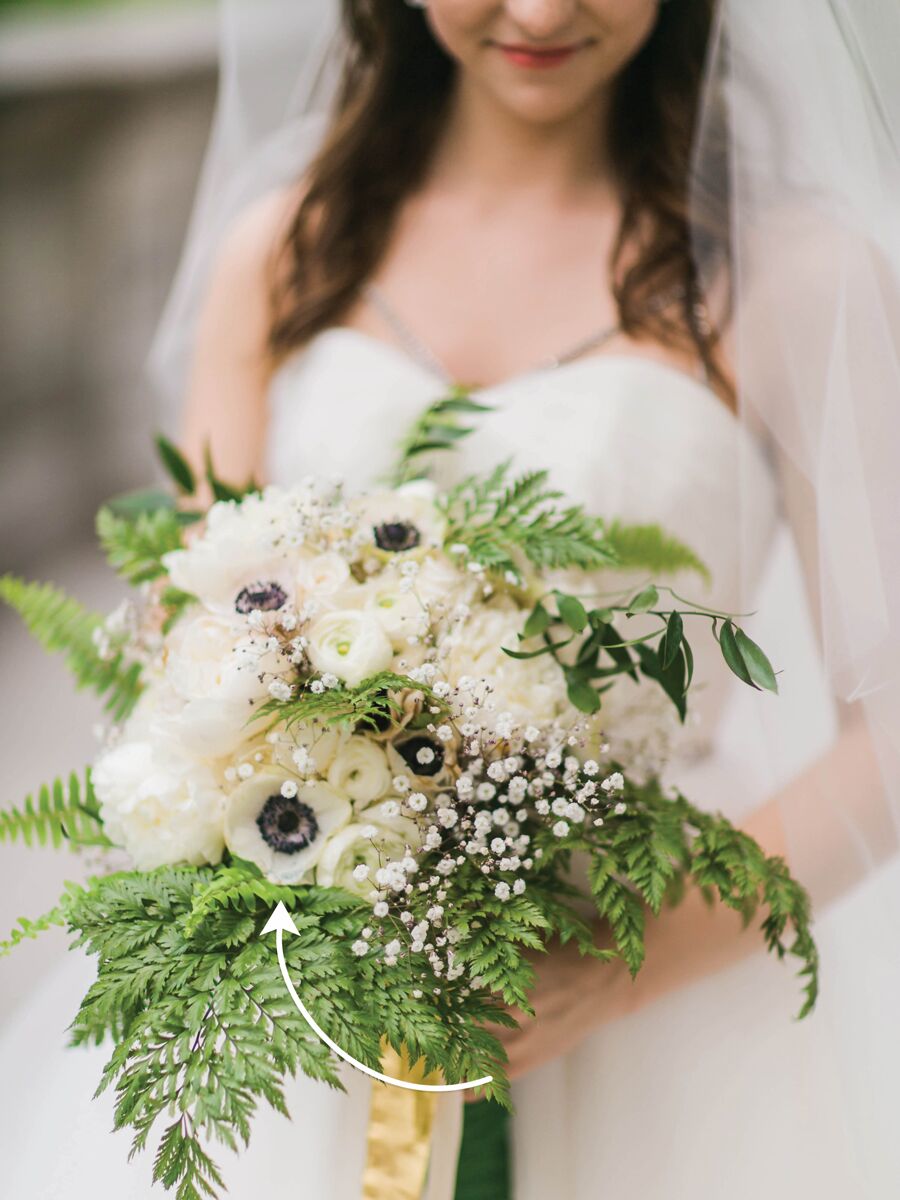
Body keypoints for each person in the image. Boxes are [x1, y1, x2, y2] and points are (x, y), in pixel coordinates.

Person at [1, 2, 898, 1198]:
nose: (537, 11)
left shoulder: (788, 273)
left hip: (642, 958)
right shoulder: (288, 244)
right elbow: (189, 626)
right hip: (302, 1001)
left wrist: (620, 969)